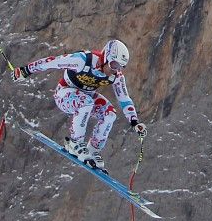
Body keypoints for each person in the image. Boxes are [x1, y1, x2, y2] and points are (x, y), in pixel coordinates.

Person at [15, 38, 146, 172]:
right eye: (114, 64)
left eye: (120, 67)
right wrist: (26, 70)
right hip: (64, 94)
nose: (115, 70)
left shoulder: (116, 76)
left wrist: (135, 122)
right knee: (86, 102)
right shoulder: (83, 60)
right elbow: (53, 62)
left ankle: (93, 149)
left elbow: (124, 98)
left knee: (110, 113)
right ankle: (75, 142)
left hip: (86, 95)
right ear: (106, 56)